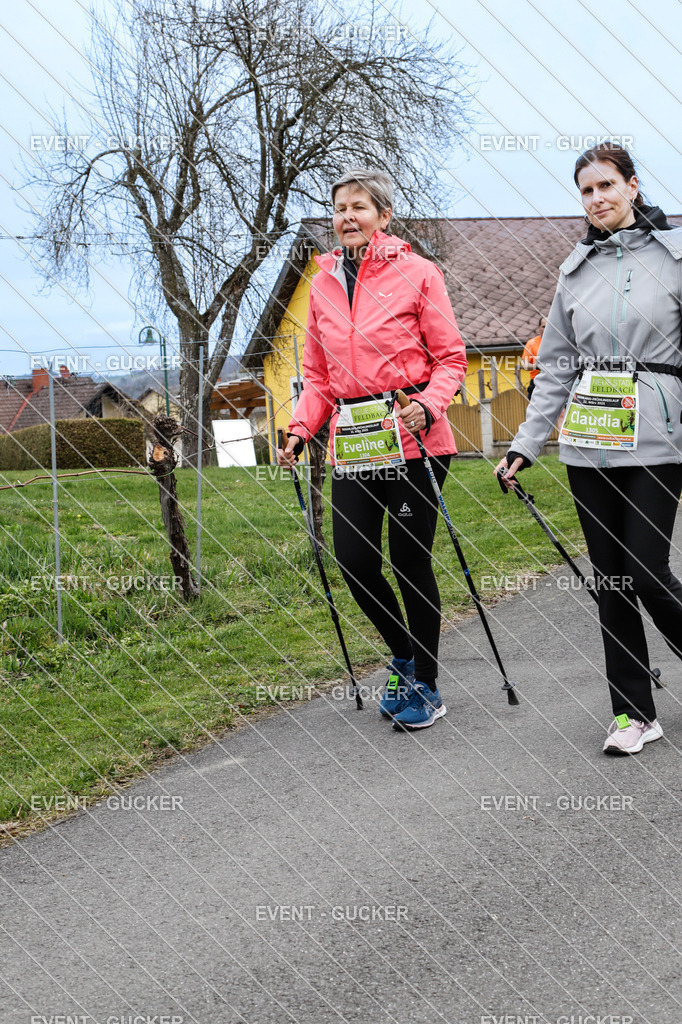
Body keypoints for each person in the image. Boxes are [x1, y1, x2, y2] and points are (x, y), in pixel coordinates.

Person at [495, 142, 682, 756]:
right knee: (613, 581)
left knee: (647, 572)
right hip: (589, 443)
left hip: (657, 441)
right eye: (586, 190)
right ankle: (633, 714)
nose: (597, 198)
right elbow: (554, 368)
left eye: (606, 185)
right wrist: (525, 445)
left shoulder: (675, 257)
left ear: (633, 186)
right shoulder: (574, 271)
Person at [277, 167, 467, 730]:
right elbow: (318, 377)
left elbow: (451, 359)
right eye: (339, 208)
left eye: (359, 207)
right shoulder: (323, 284)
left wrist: (428, 404)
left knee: (409, 560)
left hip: (413, 440)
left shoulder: (420, 273)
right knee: (355, 560)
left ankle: (427, 684)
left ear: (383, 216)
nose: (347, 217)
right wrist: (299, 430)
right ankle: (404, 656)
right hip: (356, 443)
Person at [521, 315, 547, 400]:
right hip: (537, 383)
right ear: (539, 327)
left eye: (549, 326)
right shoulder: (532, 343)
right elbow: (524, 364)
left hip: (556, 382)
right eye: (543, 326)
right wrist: (537, 366)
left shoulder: (559, 342)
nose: (546, 329)